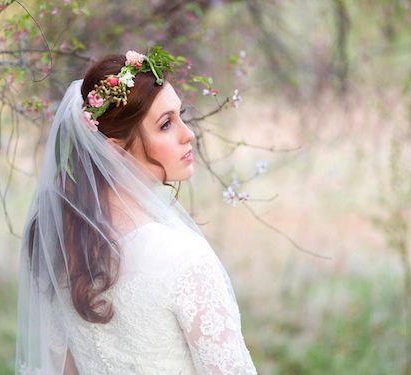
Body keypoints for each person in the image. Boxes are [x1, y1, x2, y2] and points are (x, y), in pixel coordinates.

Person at [15, 46, 256, 375]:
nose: (189, 134)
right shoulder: (185, 260)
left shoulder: (67, 249)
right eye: (166, 125)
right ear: (115, 151)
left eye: (180, 117)